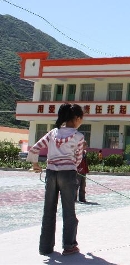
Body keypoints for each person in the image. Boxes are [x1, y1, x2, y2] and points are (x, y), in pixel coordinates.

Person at [26, 103, 85, 256]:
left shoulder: (53, 133)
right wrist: (71, 166)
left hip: (51, 173)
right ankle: (69, 245)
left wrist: (35, 164)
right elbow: (77, 159)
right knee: (69, 212)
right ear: (77, 118)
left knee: (49, 210)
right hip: (68, 174)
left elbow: (35, 148)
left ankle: (45, 247)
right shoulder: (78, 136)